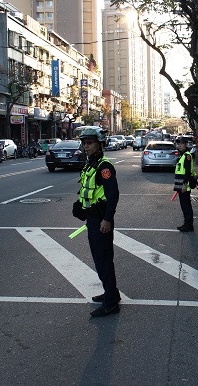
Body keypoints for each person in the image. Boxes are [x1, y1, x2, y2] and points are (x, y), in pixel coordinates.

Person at [72, 126, 122, 317]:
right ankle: (112, 293)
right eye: (84, 143)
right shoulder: (91, 163)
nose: (86, 146)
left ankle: (111, 303)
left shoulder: (104, 166)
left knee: (103, 260)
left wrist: (107, 219)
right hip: (93, 218)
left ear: (100, 144)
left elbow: (113, 194)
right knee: (100, 259)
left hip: (102, 220)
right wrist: (81, 206)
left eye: (90, 143)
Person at [174, 136, 195, 232]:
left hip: (184, 184)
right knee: (183, 205)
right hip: (180, 184)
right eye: (178, 144)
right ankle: (186, 223)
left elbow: (187, 172)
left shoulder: (187, 156)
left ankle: (189, 225)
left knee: (186, 205)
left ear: (186, 144)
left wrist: (184, 184)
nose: (179, 145)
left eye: (181, 143)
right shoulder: (181, 155)